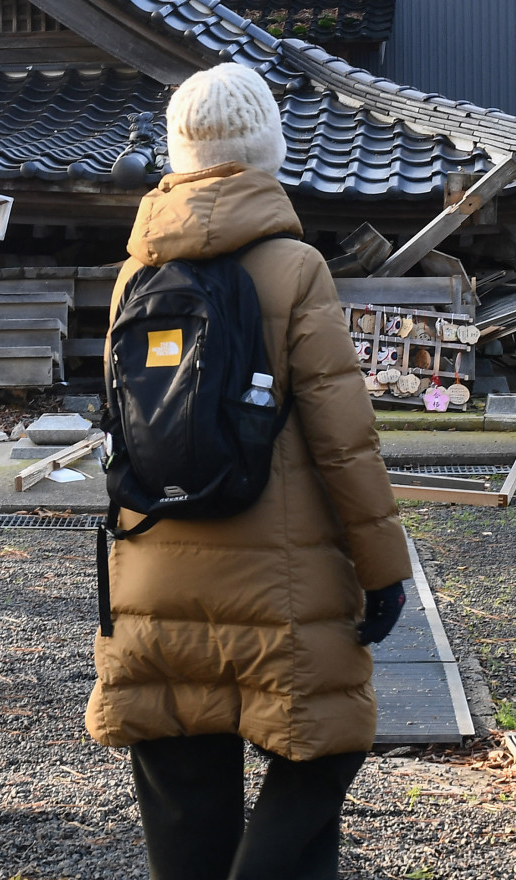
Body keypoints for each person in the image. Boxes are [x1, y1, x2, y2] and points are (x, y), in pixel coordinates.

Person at [86, 62, 413, 880]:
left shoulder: (137, 272)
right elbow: (344, 442)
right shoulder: (295, 269)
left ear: (177, 152)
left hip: (156, 568)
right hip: (281, 581)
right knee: (323, 748)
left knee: (182, 796)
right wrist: (383, 573)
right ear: (269, 150)